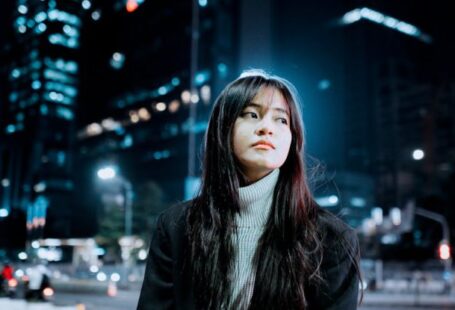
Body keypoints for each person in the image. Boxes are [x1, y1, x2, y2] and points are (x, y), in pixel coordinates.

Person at [137, 69, 362, 309]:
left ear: (292, 140)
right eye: (252, 114)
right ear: (223, 129)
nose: (267, 128)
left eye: (282, 120)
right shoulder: (176, 227)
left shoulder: (332, 240)